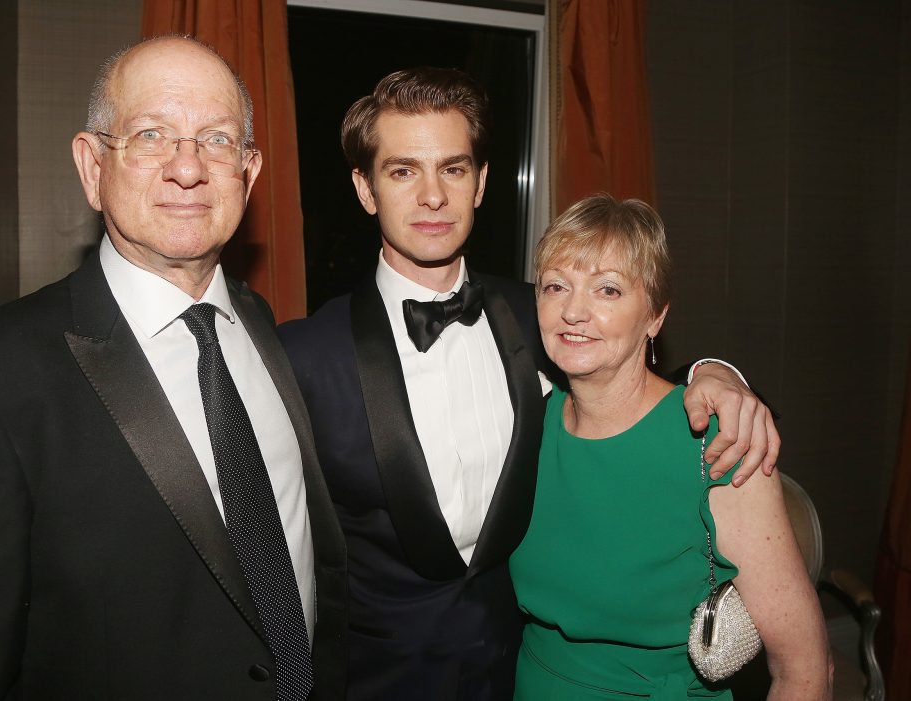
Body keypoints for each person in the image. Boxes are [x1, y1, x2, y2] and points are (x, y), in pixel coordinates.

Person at [277, 67, 779, 700]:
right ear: (365, 188)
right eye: (404, 170)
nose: (433, 195)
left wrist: (718, 373)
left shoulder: (540, 314)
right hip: (375, 683)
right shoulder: (300, 355)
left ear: (482, 183)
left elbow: (631, 369)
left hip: (515, 673)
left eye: (454, 169)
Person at [0, 36, 346, 700]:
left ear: (248, 173)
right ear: (91, 165)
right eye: (152, 134)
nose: (188, 169)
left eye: (216, 140)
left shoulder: (258, 322)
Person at [509, 194, 832, 699]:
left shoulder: (716, 443)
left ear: (656, 316)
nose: (573, 311)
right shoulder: (529, 424)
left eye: (608, 290)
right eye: (556, 286)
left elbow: (805, 671)